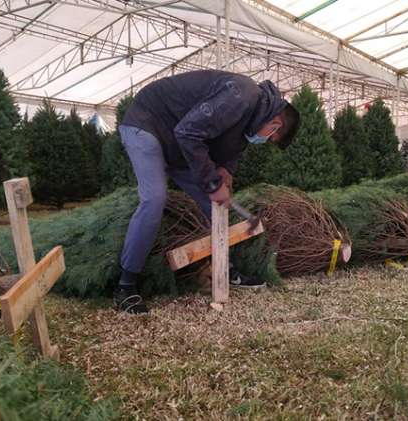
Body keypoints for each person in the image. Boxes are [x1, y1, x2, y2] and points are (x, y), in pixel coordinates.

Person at [114, 70, 301, 313]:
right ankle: (125, 285)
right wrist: (212, 183)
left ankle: (225, 269)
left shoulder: (253, 115)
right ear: (275, 124)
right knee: (154, 198)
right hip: (147, 122)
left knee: (215, 205)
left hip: (178, 142)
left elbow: (233, 146)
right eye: (271, 138)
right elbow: (188, 133)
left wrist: (224, 171)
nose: (265, 141)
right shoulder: (241, 96)